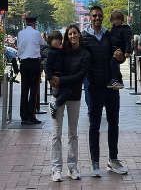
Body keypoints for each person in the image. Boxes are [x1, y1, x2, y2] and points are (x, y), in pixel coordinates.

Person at [82, 4, 128, 176]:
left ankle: (113, 160)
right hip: (93, 86)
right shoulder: (84, 38)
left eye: (99, 15)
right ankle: (95, 163)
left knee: (113, 123)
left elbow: (119, 56)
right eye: (94, 16)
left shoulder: (109, 36)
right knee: (94, 125)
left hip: (111, 85)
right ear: (89, 17)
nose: (97, 18)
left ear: (103, 17)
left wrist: (121, 56)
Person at [47, 25, 89, 182]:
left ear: (79, 35)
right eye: (70, 33)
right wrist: (51, 78)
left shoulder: (84, 54)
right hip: (58, 94)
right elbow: (49, 63)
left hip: (74, 95)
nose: (73, 36)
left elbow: (80, 75)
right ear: (67, 36)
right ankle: (56, 169)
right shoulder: (61, 50)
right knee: (56, 134)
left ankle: (72, 167)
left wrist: (60, 80)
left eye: (75, 33)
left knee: (73, 134)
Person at [17, 13, 43, 125]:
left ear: (26, 22)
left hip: (24, 64)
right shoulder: (37, 33)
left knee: (24, 90)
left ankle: (23, 116)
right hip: (34, 63)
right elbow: (43, 43)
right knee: (33, 91)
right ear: (34, 23)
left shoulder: (20, 33)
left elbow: (19, 46)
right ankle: (31, 116)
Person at [106, 10, 132, 89]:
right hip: (113, 51)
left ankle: (117, 80)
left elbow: (128, 41)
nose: (116, 21)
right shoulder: (113, 29)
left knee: (113, 62)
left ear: (121, 20)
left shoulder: (125, 29)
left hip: (121, 51)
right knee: (112, 64)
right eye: (114, 19)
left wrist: (127, 51)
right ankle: (116, 79)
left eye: (118, 19)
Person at [45, 30, 66, 117]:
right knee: (58, 93)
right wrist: (50, 78)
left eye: (59, 39)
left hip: (61, 76)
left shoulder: (59, 51)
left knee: (60, 93)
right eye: (55, 39)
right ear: (50, 41)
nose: (57, 41)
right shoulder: (51, 52)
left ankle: (55, 108)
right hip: (55, 77)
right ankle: (54, 106)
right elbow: (48, 66)